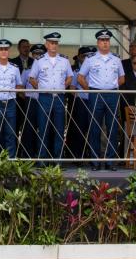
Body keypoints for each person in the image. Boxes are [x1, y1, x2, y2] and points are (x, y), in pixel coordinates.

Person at [77, 29, 125, 171]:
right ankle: (95, 161)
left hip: (112, 94)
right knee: (94, 128)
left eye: (107, 40)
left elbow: (122, 78)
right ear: (98, 42)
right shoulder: (90, 59)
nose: (105, 43)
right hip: (95, 94)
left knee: (112, 128)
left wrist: (113, 85)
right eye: (102, 40)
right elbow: (80, 77)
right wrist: (90, 90)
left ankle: (110, 161)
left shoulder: (116, 59)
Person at [29, 32, 73, 163]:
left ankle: (58, 160)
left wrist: (63, 87)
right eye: (51, 43)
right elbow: (32, 78)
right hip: (44, 97)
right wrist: (41, 88)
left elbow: (70, 77)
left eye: (56, 43)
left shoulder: (64, 60)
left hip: (59, 97)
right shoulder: (39, 60)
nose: (54, 45)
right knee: (43, 129)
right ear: (46, 44)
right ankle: (42, 160)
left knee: (59, 129)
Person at [67, 46, 96, 161]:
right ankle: (78, 157)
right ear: (79, 58)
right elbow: (72, 88)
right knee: (80, 130)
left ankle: (93, 156)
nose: (87, 58)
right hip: (82, 102)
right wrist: (82, 95)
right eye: (85, 56)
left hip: (96, 101)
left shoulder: (96, 68)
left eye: (90, 56)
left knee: (94, 129)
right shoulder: (76, 71)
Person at [19, 43, 46, 158]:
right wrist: (28, 97)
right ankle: (28, 156)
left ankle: (44, 156)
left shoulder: (48, 68)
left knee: (45, 129)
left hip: (46, 100)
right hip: (31, 101)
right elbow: (20, 88)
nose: (38, 56)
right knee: (29, 129)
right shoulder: (27, 70)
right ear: (32, 55)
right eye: (35, 54)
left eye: (41, 54)